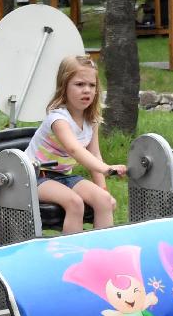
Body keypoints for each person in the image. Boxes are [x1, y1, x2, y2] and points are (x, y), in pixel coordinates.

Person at [25, 56, 126, 234]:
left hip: (63, 176)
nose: (86, 90)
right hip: (35, 177)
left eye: (91, 85)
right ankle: (72, 257)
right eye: (79, 85)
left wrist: (103, 188)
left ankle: (103, 253)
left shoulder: (91, 120)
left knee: (104, 200)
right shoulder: (58, 119)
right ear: (64, 87)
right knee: (75, 203)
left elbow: (94, 154)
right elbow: (75, 149)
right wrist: (106, 169)